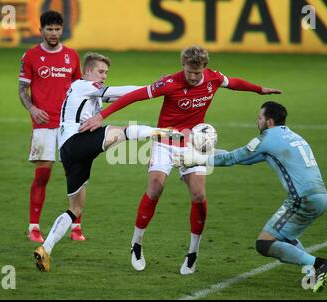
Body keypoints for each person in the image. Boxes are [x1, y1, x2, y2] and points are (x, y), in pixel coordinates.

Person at [81, 45, 281, 275]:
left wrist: (259, 90)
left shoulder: (213, 78)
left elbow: (233, 82)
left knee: (199, 194)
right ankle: (136, 244)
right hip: (165, 140)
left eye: (197, 73)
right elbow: (134, 97)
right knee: (155, 188)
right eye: (188, 72)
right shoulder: (169, 83)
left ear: (204, 68)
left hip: (193, 144)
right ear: (183, 66)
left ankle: (193, 253)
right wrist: (101, 115)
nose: (193, 77)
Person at [34, 52, 181, 272]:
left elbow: (121, 96)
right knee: (121, 132)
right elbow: (117, 92)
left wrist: (154, 88)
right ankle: (161, 132)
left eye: (106, 73)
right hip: (77, 141)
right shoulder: (82, 85)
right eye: (101, 71)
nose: (104, 76)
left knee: (75, 208)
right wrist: (157, 87)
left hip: (69, 152)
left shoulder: (89, 92)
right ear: (87, 72)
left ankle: (45, 249)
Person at [177, 101, 327, 292]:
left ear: (269, 121)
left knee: (264, 243)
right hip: (320, 196)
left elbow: (232, 159)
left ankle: (319, 264)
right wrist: (210, 153)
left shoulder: (266, 139)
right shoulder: (292, 136)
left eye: (259, 118)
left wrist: (195, 160)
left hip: (302, 198)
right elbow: (242, 159)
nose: (256, 122)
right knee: (284, 235)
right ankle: (312, 268)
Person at [18, 11, 84, 243]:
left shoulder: (72, 56)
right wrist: (33, 109)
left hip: (69, 125)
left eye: (57, 29)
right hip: (43, 124)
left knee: (75, 174)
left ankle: (76, 227)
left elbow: (80, 91)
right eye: (49, 29)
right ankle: (34, 227)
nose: (54, 33)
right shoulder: (31, 56)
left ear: (62, 29)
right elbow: (22, 90)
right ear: (41, 30)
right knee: (43, 175)